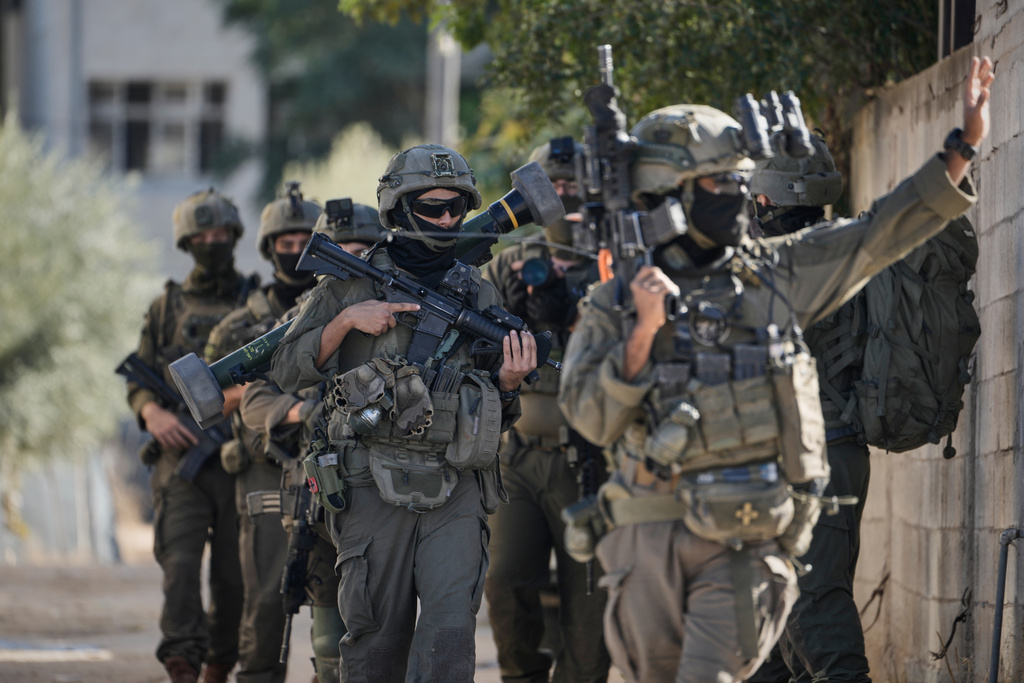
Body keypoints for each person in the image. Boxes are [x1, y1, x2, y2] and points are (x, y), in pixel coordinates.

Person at [557, 56, 993, 683]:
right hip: (649, 538)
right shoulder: (616, 299)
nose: (739, 193)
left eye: (740, 180)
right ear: (673, 193)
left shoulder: (774, 276)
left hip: (745, 537)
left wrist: (962, 148)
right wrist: (643, 332)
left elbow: (877, 234)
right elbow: (592, 419)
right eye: (719, 183)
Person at [269, 144, 538, 682]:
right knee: (375, 642)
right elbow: (286, 369)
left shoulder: (477, 290)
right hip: (370, 482)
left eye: (454, 208)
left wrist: (508, 382)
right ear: (397, 210)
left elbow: (493, 407)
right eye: (429, 208)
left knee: (449, 640)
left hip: (456, 483)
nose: (444, 219)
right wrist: (345, 322)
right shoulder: (347, 284)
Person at [237, 201, 386, 683]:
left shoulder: (401, 311)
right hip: (317, 494)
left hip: (385, 493)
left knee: (383, 626)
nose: (350, 258)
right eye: (340, 250)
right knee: (328, 640)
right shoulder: (299, 319)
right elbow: (254, 398)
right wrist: (303, 411)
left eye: (362, 249)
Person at [482, 138, 611, 683]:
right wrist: (506, 316)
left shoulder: (616, 260)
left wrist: (585, 318)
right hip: (519, 457)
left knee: (590, 599)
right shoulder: (510, 266)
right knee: (507, 583)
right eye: (553, 187)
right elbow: (471, 359)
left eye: (574, 185)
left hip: (593, 457)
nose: (565, 197)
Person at [127, 188, 254, 683]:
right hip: (179, 461)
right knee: (179, 567)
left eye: (221, 234)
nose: (213, 243)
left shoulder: (254, 302)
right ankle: (182, 659)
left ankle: (219, 663)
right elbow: (138, 380)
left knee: (233, 577)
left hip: (235, 456)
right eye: (202, 236)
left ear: (235, 237)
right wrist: (152, 415)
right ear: (187, 242)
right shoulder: (166, 307)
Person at [202, 182, 321, 683]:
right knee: (267, 601)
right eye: (284, 243)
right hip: (264, 469)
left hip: (328, 469)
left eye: (304, 241)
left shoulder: (337, 308)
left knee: (339, 599)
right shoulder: (238, 326)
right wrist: (270, 393)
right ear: (269, 248)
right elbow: (207, 396)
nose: (294, 251)